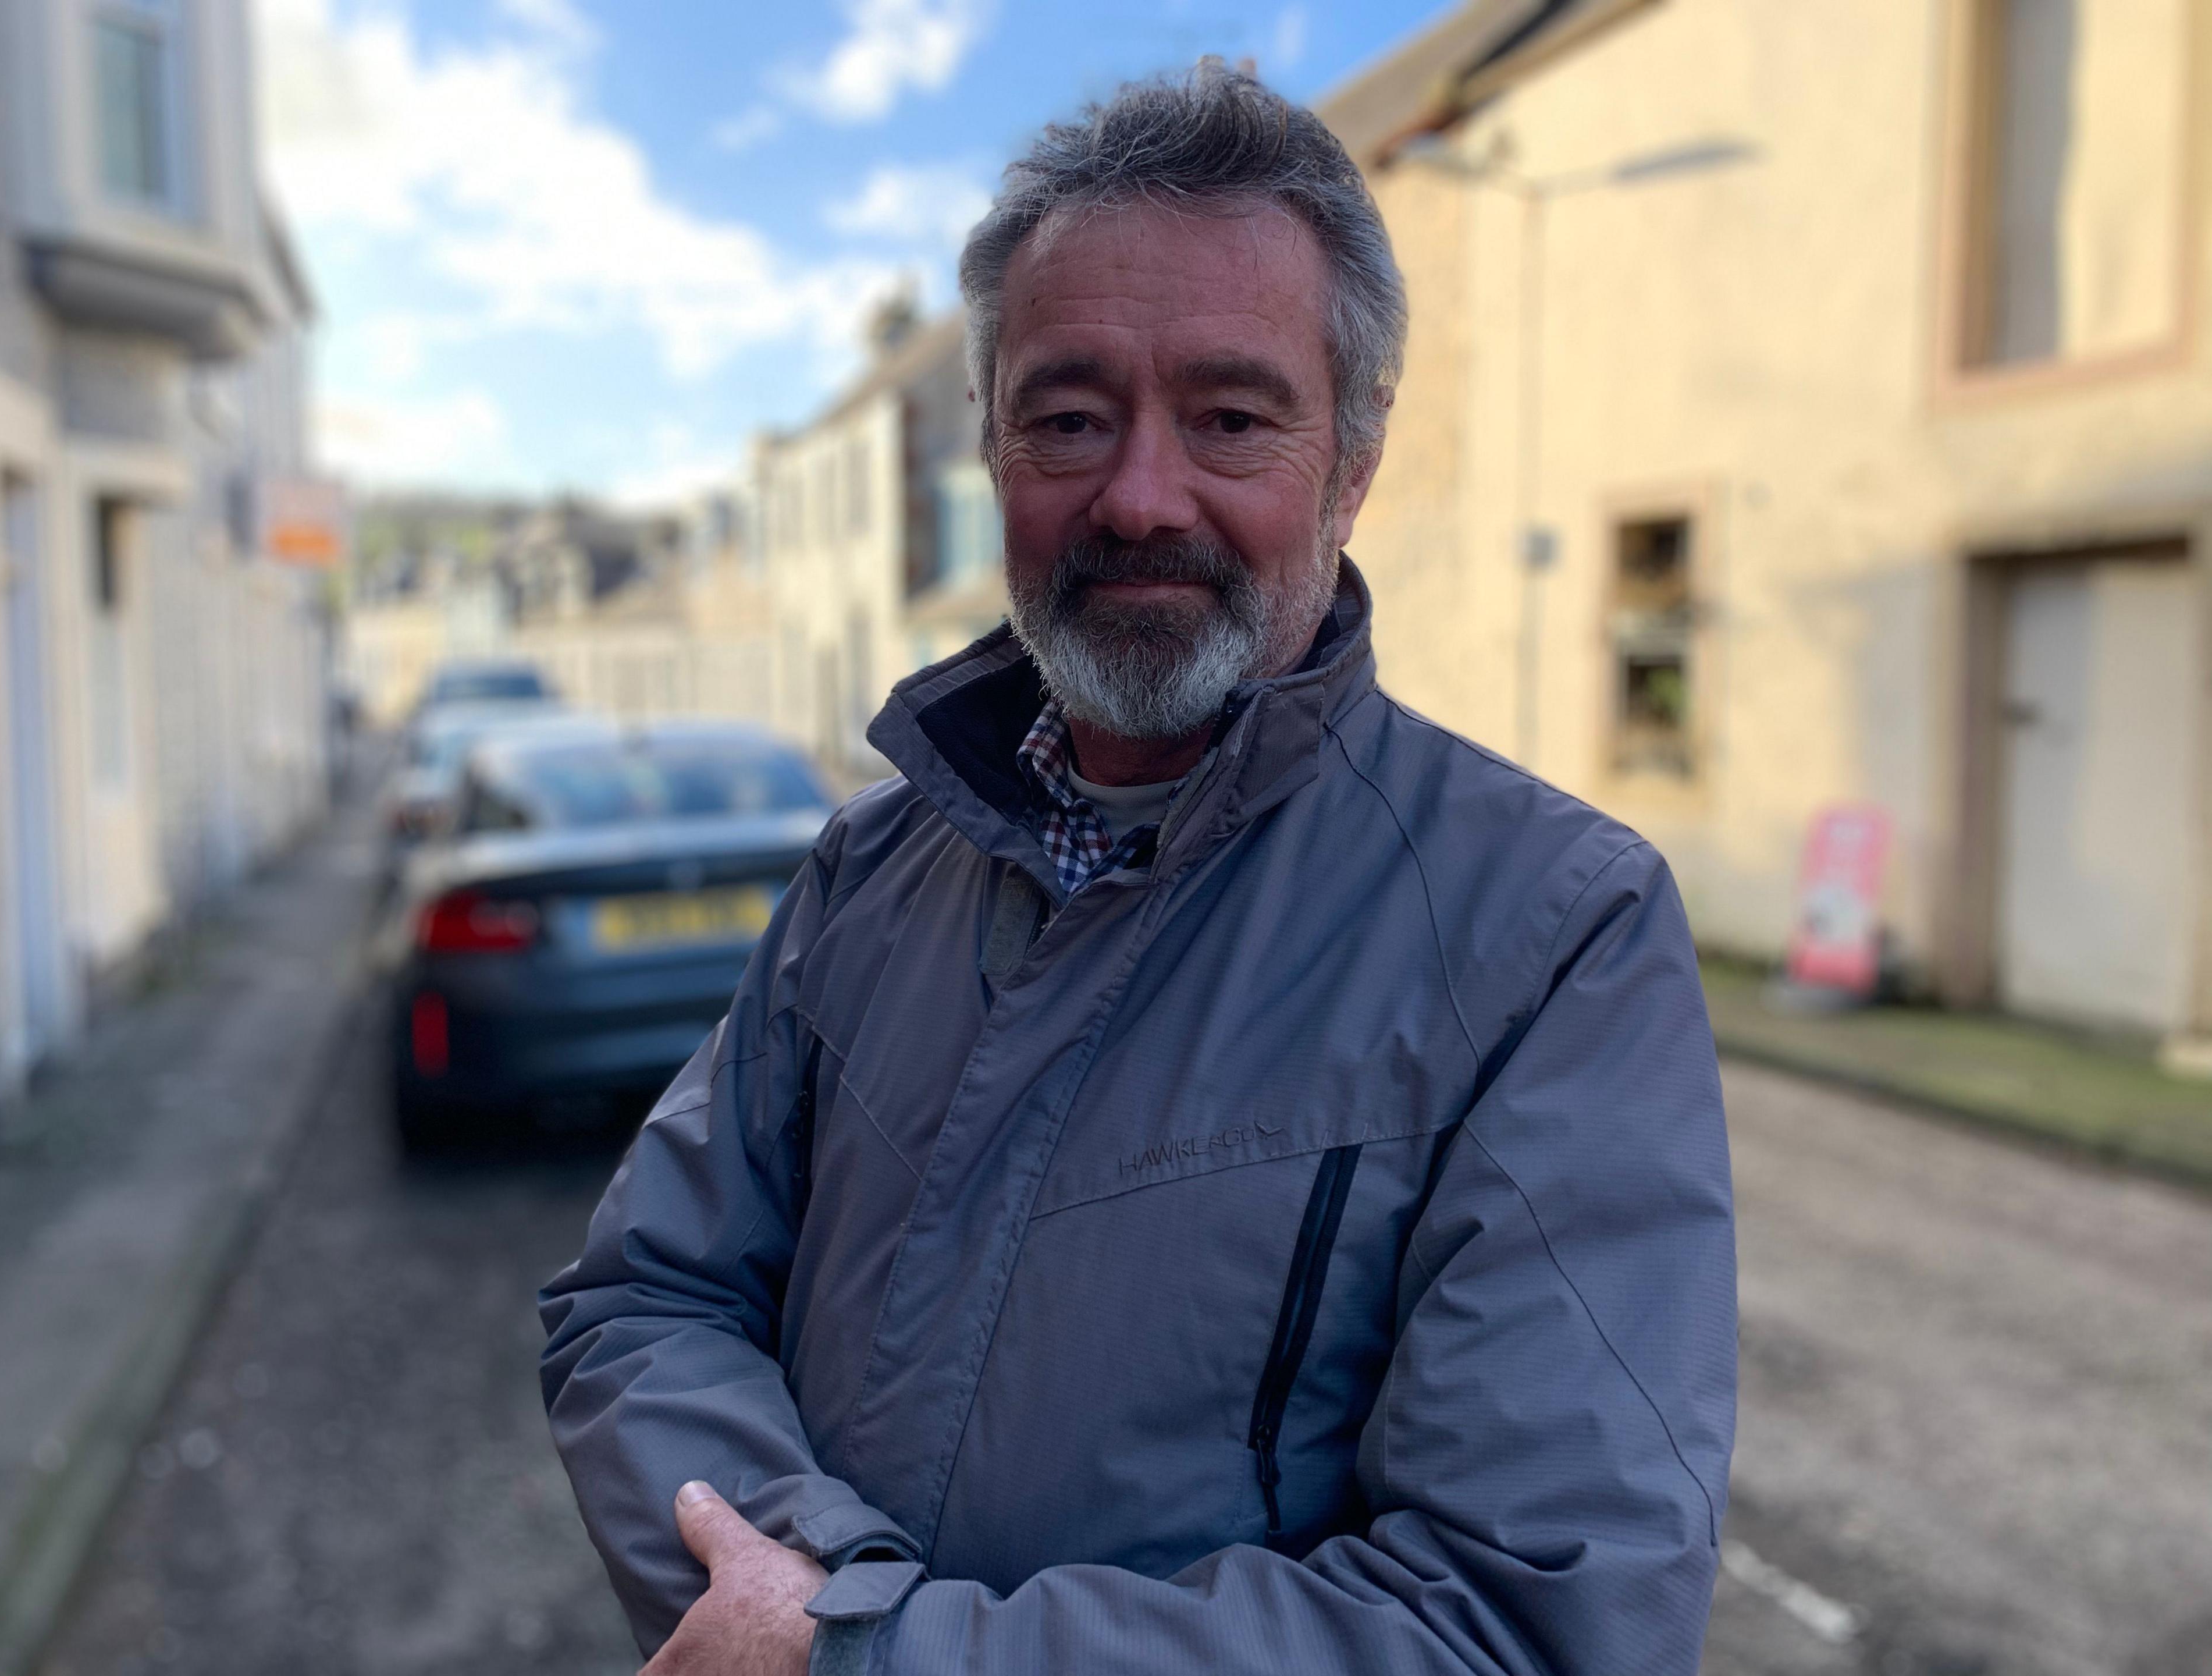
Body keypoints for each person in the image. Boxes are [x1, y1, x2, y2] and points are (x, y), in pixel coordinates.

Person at [540, 61, 1736, 1676]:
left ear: (1352, 459)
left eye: (1231, 417)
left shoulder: (1554, 933)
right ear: (991, 450)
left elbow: (1522, 1625)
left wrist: (864, 1656)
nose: (1139, 495)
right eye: (1069, 417)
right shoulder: (872, 871)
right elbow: (642, 1303)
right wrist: (809, 1592)